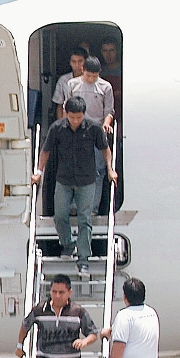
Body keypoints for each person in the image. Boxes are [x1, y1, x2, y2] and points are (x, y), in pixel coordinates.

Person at [32, 96, 117, 274]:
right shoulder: (58, 128)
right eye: (72, 117)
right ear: (66, 113)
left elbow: (105, 149)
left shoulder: (93, 128)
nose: (75, 121)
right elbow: (45, 151)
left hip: (86, 181)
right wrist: (39, 172)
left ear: (84, 114)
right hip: (64, 180)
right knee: (60, 215)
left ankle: (83, 258)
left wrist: (110, 169)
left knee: (85, 219)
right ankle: (68, 244)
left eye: (79, 117)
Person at [66, 56, 117, 209]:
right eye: (88, 75)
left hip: (96, 132)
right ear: (83, 70)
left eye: (94, 76)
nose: (91, 79)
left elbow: (109, 111)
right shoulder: (72, 84)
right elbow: (66, 109)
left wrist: (106, 124)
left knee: (97, 171)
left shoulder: (105, 87)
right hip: (76, 131)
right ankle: (75, 205)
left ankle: (92, 206)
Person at [52, 47, 88, 119]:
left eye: (80, 61)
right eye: (74, 62)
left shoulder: (91, 79)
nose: (77, 65)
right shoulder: (63, 80)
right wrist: (61, 124)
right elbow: (59, 105)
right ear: (70, 63)